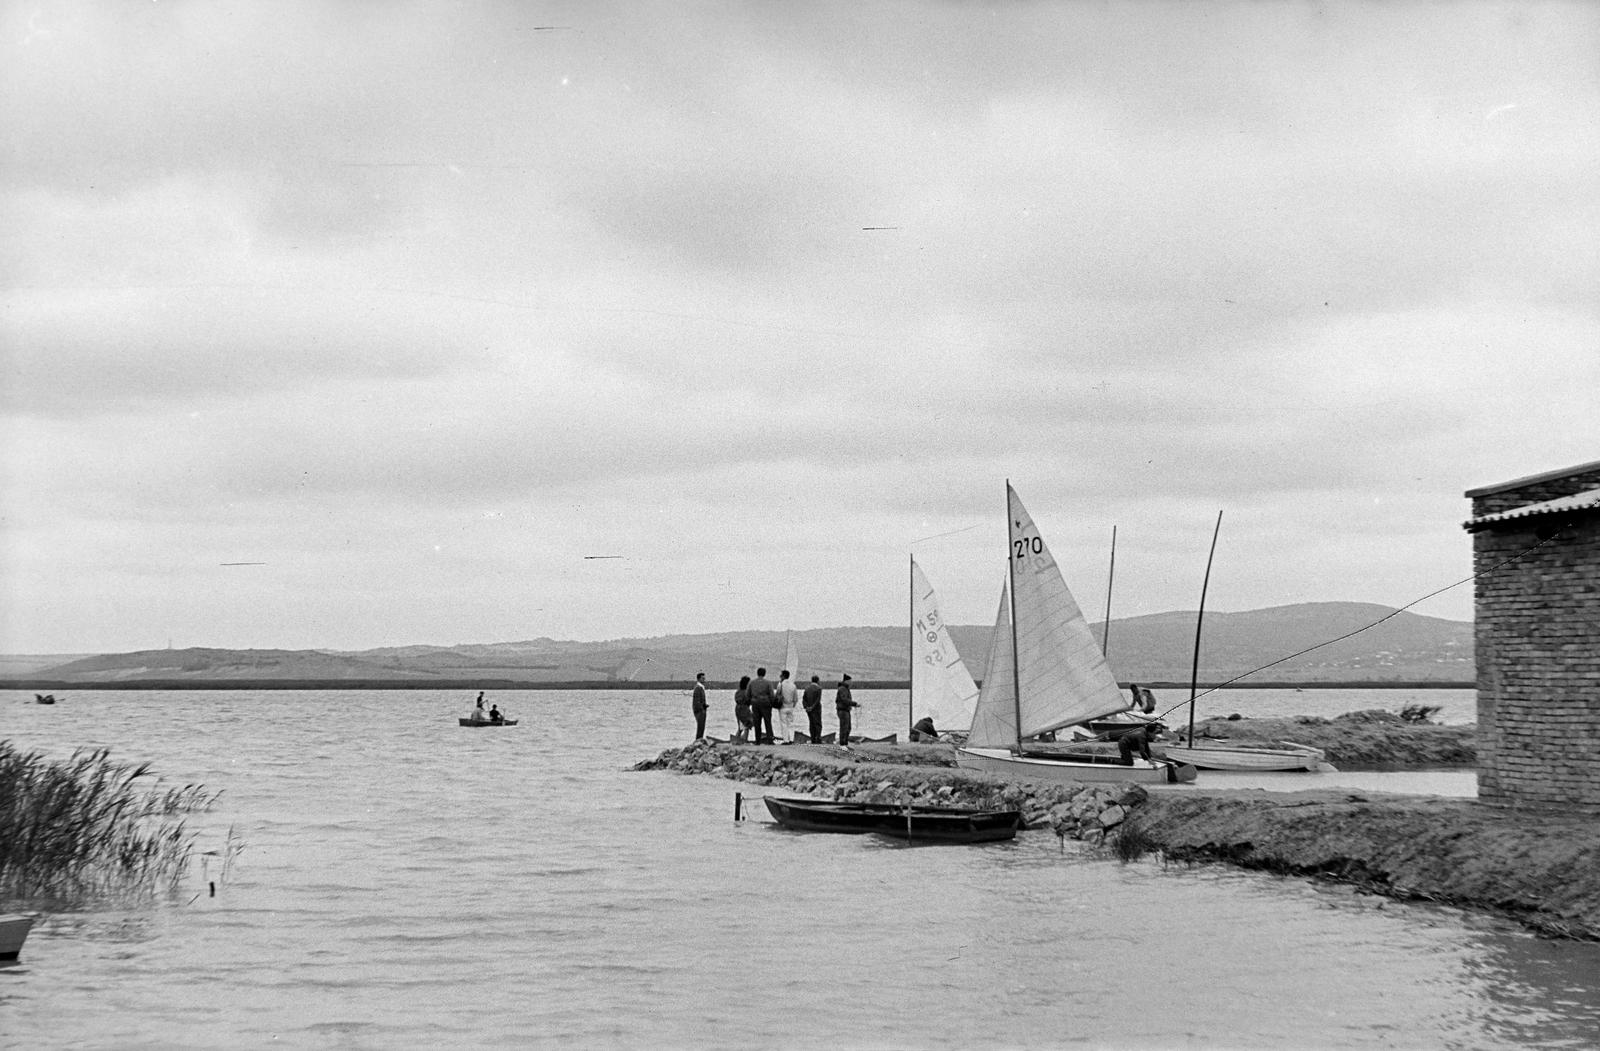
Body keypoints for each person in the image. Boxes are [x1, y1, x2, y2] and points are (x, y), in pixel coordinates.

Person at [748, 667, 776, 744]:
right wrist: (772, 703)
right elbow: (772, 695)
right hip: (766, 704)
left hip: (755, 704)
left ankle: (757, 740)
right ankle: (770, 740)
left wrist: (751, 702)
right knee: (768, 722)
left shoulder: (752, 683)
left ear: (757, 673)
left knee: (757, 722)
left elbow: (748, 694)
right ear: (764, 674)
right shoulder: (768, 683)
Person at [835, 674, 858, 747]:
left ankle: (845, 743)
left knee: (848, 727)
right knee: (844, 727)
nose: (851, 683)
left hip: (846, 710)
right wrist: (854, 704)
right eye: (850, 681)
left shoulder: (846, 688)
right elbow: (844, 700)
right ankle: (842, 744)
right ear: (846, 681)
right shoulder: (842, 689)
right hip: (843, 711)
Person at [775, 669, 798, 743]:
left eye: (781, 675)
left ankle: (786, 740)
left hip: (782, 707)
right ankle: (791, 739)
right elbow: (796, 698)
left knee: (784, 724)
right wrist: (792, 705)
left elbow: (777, 695)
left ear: (783, 676)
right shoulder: (793, 685)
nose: (780, 676)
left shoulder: (780, 685)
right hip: (790, 707)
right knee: (790, 723)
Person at [802, 674, 824, 743]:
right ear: (817, 681)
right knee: (818, 724)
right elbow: (818, 700)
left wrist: (806, 707)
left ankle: (813, 739)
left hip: (809, 710)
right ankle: (818, 738)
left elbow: (804, 699)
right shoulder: (819, 689)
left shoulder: (807, 688)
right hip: (816, 709)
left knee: (811, 724)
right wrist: (812, 707)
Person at [734, 675, 753, 743]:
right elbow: (749, 701)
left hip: (738, 709)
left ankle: (737, 739)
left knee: (741, 727)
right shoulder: (746, 692)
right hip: (744, 709)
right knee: (746, 726)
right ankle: (744, 740)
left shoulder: (738, 692)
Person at [691, 672, 709, 740]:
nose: (704, 679)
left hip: (701, 710)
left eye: (704, 678)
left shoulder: (701, 687)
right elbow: (697, 701)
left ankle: (700, 739)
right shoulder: (698, 688)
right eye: (703, 678)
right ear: (698, 679)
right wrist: (701, 709)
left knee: (701, 726)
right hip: (699, 711)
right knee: (700, 727)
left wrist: (705, 705)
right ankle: (698, 740)